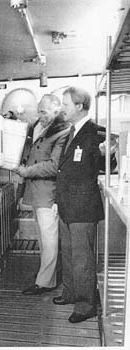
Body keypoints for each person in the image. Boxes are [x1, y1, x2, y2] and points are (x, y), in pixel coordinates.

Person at [53, 86, 117, 323]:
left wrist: (108, 154)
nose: (62, 109)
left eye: (66, 105)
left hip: (83, 206)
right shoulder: (71, 132)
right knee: (68, 253)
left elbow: (108, 165)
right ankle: (70, 293)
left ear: (79, 106)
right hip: (67, 205)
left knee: (82, 258)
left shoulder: (96, 133)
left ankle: (86, 304)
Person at [13, 94, 70, 295]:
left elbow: (54, 166)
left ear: (56, 111)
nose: (40, 115)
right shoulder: (44, 127)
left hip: (49, 194)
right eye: (39, 111)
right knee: (43, 238)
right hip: (37, 194)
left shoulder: (63, 132)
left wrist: (27, 171)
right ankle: (47, 274)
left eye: (43, 112)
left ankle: (45, 282)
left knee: (49, 239)